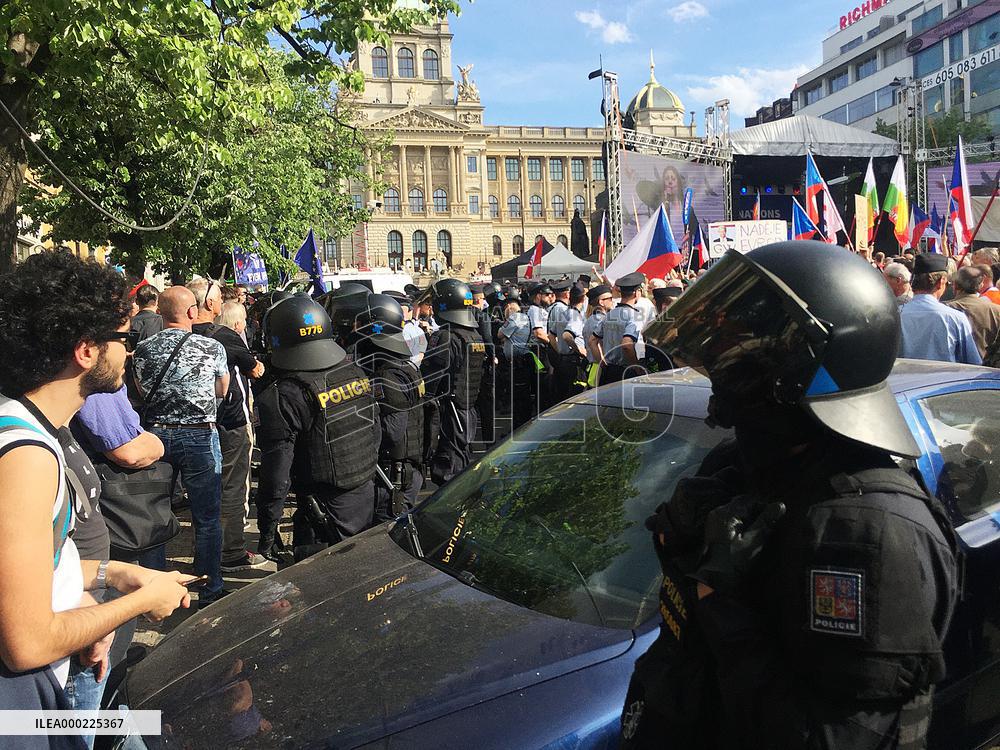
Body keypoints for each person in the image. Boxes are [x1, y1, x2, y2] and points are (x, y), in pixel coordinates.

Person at [633, 241, 958, 749]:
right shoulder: (741, 466)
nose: (724, 363)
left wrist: (721, 601)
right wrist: (676, 548)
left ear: (799, 367)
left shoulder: (873, 531)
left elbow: (835, 739)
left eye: (745, 349)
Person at [0, 251, 193, 721]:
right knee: (154, 725)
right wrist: (143, 601)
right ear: (87, 351)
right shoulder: (26, 454)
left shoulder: (33, 429)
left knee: (134, 728)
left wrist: (118, 576)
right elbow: (26, 642)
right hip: (24, 703)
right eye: (123, 339)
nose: (130, 351)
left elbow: (36, 566)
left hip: (49, 684)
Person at [255, 296, 379, 562]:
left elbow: (275, 476)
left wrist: (267, 531)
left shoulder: (284, 395)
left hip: (321, 517)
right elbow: (374, 433)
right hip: (364, 498)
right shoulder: (355, 372)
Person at [133, 285, 230, 606]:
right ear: (192, 312)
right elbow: (221, 390)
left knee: (155, 516)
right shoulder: (212, 347)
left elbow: (142, 391)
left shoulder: (143, 349)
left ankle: (155, 592)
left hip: (155, 437)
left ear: (159, 313)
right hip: (200, 435)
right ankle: (210, 586)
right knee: (206, 517)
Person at [208, 301, 268, 572]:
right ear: (237, 324)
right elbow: (255, 369)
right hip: (233, 422)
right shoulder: (228, 338)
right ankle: (231, 550)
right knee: (234, 484)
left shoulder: (199, 336)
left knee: (213, 485)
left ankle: (211, 547)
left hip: (204, 424)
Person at [353, 294, 425, 518]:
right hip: (404, 471)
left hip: (394, 477)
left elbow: (392, 432)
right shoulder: (403, 366)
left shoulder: (388, 376)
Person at [420, 279, 486, 484]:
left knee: (449, 470)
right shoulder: (473, 335)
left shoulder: (446, 337)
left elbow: (429, 381)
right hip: (467, 410)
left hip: (450, 412)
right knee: (462, 462)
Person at [898, 253, 981, 364]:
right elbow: (973, 363)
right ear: (941, 281)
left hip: (902, 379)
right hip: (945, 380)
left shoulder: (896, 315)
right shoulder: (955, 318)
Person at [592, 272, 647, 385]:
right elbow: (627, 344)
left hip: (609, 371)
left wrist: (602, 362)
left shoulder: (609, 314)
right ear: (637, 293)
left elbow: (592, 340)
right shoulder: (634, 316)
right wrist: (637, 367)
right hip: (627, 373)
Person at [945, 265, 1000, 359]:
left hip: (953, 369)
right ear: (981, 285)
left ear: (955, 285)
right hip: (987, 369)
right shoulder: (996, 310)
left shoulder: (945, 309)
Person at [548, 283, 587, 403]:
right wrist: (578, 350)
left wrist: (559, 350)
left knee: (561, 397)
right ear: (583, 298)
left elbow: (551, 335)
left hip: (562, 360)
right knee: (573, 398)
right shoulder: (575, 316)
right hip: (573, 362)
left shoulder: (564, 313)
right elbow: (567, 335)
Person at [583, 284, 613, 378]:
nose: (612, 301)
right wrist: (603, 364)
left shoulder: (590, 319)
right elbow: (596, 344)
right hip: (599, 367)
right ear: (601, 302)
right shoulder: (601, 320)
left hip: (593, 366)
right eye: (610, 298)